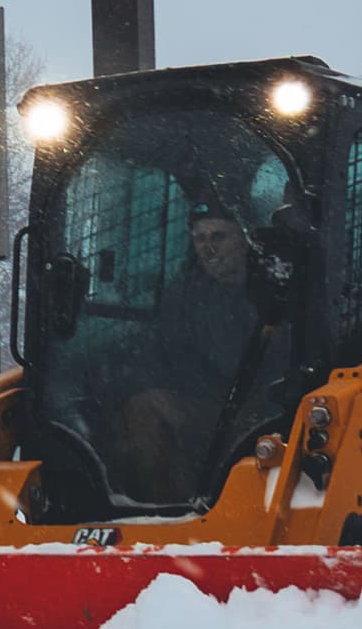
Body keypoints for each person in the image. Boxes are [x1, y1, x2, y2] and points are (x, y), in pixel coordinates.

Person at [112, 200, 267, 505]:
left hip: (260, 407)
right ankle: (168, 507)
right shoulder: (185, 294)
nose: (209, 248)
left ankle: (170, 509)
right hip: (204, 399)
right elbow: (162, 346)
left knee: (146, 411)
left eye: (219, 237)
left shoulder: (269, 293)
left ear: (243, 240)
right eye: (200, 238)